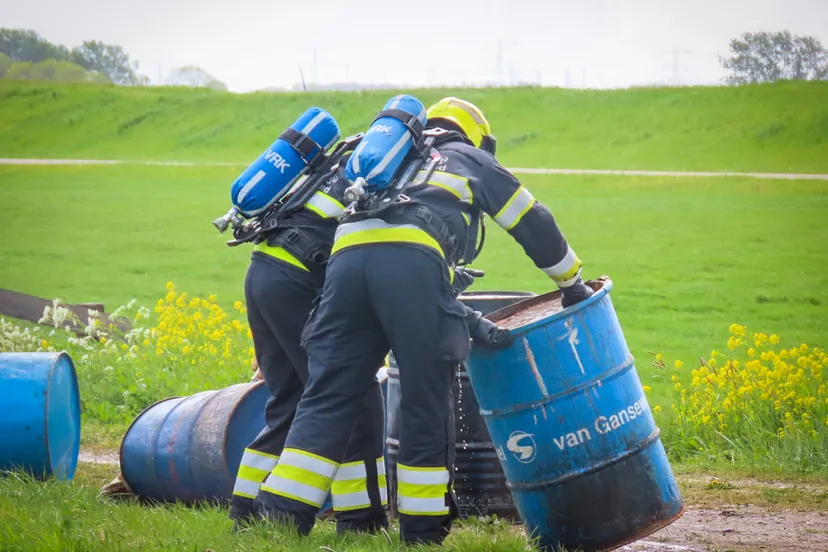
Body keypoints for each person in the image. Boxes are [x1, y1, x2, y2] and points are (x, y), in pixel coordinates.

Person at [252, 96, 593, 545]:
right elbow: (531, 220)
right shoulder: (468, 158)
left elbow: (348, 232)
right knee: (423, 397)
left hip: (346, 265)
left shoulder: (381, 164)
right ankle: (421, 532)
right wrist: (571, 282)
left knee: (329, 396)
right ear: (476, 138)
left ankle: (278, 522)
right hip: (413, 265)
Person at [228, 148, 389, 535]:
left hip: (263, 271)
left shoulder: (349, 158)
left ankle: (244, 515)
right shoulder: (395, 173)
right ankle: (361, 522)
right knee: (355, 395)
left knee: (290, 400)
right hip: (300, 278)